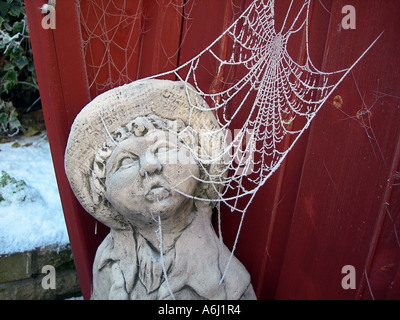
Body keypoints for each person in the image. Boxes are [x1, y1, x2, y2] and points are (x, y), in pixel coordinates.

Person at [65, 79, 256, 299]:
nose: (150, 165)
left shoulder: (224, 277)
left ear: (198, 161)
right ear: (102, 189)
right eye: (126, 161)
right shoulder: (110, 264)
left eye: (164, 148)